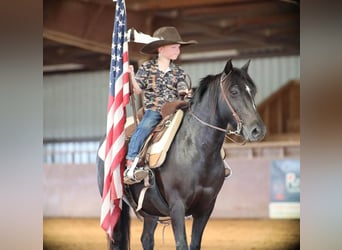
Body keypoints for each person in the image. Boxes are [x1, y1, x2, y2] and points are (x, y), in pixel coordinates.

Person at [124, 26, 197, 185]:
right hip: (155, 109)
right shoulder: (147, 68)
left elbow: (182, 87)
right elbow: (137, 90)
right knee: (145, 126)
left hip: (175, 108)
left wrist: (186, 92)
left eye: (178, 47)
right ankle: (131, 162)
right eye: (174, 47)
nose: (178, 50)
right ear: (160, 49)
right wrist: (131, 75)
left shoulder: (178, 71)